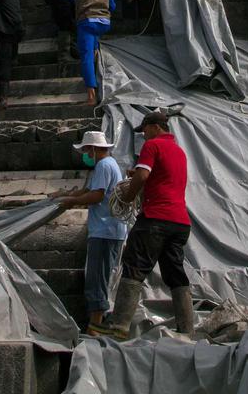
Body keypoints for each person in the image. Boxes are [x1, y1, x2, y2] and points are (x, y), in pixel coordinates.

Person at [89, 111, 193, 340]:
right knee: (175, 273)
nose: (143, 135)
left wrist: (128, 196)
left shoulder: (152, 146)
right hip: (179, 222)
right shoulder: (179, 151)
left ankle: (119, 326)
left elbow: (143, 176)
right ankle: (187, 328)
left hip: (155, 218)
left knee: (134, 267)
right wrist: (137, 174)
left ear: (155, 127)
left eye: (144, 130)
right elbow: (162, 179)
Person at [51, 131, 129, 333]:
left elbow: (96, 196)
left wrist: (72, 202)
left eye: (86, 150)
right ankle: (97, 323)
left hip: (105, 231)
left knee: (97, 279)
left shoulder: (103, 165)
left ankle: (95, 326)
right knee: (99, 277)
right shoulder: (107, 165)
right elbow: (87, 190)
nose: (85, 154)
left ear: (94, 149)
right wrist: (66, 195)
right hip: (108, 230)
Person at [60, 0, 115, 107]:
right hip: (104, 22)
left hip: (88, 21)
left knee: (86, 57)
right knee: (94, 54)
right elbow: (113, 5)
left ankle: (91, 96)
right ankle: (102, 87)